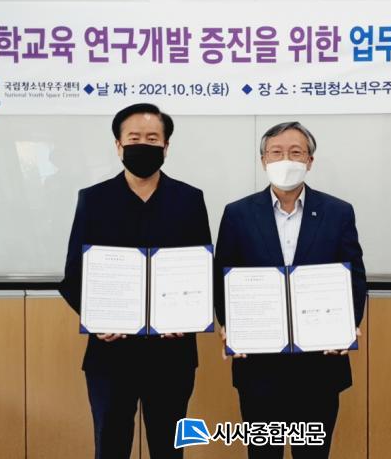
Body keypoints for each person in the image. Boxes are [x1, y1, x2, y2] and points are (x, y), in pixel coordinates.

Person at [60, 103, 211, 459]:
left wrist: (188, 316)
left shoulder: (189, 199)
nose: (143, 145)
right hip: (111, 353)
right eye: (134, 138)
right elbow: (74, 275)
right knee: (111, 446)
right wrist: (97, 320)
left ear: (166, 146)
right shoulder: (94, 199)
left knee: (169, 448)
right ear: (118, 145)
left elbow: (202, 270)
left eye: (153, 139)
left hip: (171, 353)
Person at [214, 121, 367, 459]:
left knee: (312, 453)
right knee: (263, 454)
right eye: (276, 152)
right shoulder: (238, 214)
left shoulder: (338, 212)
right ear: (263, 161)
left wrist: (347, 326)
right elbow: (223, 277)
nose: (286, 159)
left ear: (310, 161)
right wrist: (231, 328)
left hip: (319, 364)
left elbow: (354, 277)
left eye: (296, 152)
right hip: (259, 365)